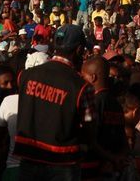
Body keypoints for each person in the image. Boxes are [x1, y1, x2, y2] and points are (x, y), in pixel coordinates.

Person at [14, 24, 97, 181]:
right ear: (79, 50)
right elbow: (90, 125)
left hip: (29, 156)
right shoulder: (81, 87)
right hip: (62, 161)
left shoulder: (25, 76)